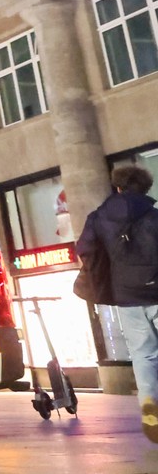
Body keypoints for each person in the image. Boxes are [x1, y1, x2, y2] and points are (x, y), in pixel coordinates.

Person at [78, 164, 158, 443]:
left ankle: (149, 401)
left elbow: (85, 248)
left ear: (118, 187)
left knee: (143, 353)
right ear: (145, 188)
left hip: (126, 296)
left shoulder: (98, 217)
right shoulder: (154, 216)